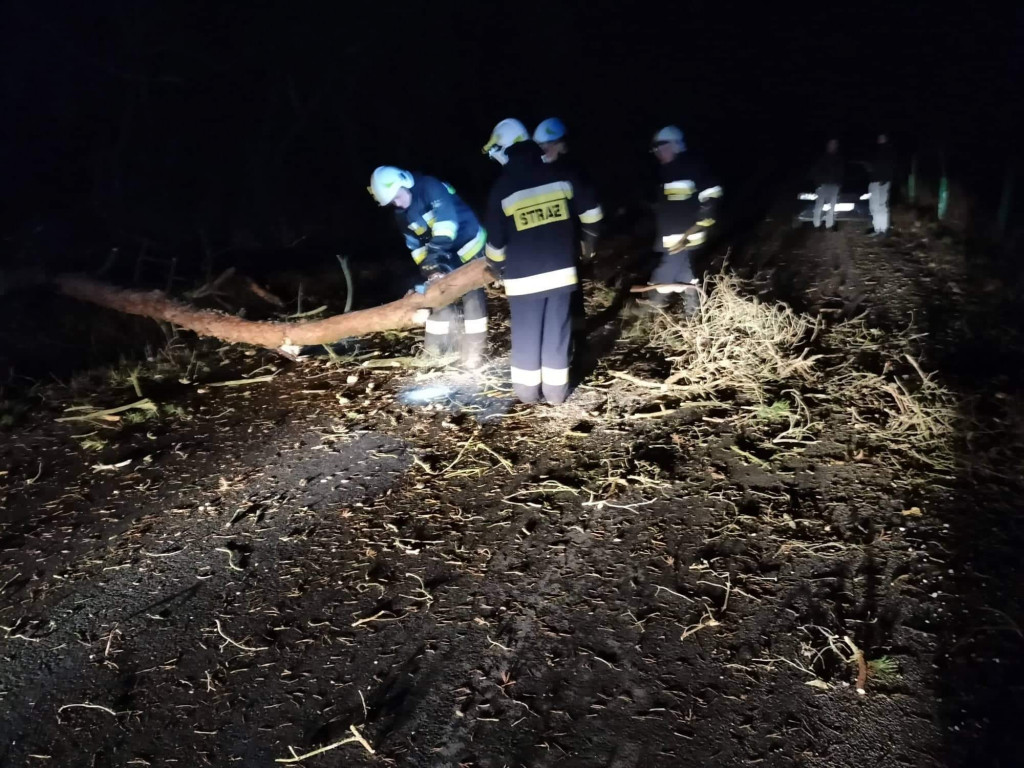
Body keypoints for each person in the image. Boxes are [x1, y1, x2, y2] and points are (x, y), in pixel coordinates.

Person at [481, 118, 602, 405]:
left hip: (522, 279)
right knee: (557, 332)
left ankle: (526, 394)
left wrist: (497, 267)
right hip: (561, 273)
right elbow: (593, 214)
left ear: (504, 150)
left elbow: (495, 244)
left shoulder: (502, 188)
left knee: (526, 333)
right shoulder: (561, 175)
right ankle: (556, 394)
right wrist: (588, 245)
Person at [368, 166, 488, 367]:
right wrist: (428, 268)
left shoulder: (430, 187)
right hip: (443, 254)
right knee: (436, 299)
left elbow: (446, 222)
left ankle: (474, 354)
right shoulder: (401, 214)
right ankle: (434, 352)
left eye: (397, 197)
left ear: (404, 184)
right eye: (392, 202)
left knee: (472, 297)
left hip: (469, 246)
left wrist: (435, 255)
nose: (397, 203)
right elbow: (414, 246)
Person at [645, 125, 722, 315]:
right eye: (654, 148)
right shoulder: (667, 170)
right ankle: (693, 309)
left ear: (675, 145)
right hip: (672, 234)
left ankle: (652, 304)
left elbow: (712, 192)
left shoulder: (691, 166)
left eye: (660, 146)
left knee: (667, 268)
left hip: (685, 235)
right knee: (683, 270)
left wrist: (706, 215)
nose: (657, 152)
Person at [811, 138, 844, 230]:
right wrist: (818, 184)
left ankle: (829, 225)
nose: (833, 146)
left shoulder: (838, 158)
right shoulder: (822, 157)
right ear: (828, 145)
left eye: (835, 144)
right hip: (822, 185)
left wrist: (839, 184)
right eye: (831, 144)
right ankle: (817, 225)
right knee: (819, 206)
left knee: (831, 207)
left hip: (834, 186)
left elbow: (841, 172)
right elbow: (815, 171)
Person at [868, 133, 895, 236]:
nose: (880, 139)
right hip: (874, 182)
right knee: (874, 206)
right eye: (879, 137)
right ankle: (877, 228)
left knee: (881, 205)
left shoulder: (888, 151)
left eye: (882, 137)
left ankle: (883, 229)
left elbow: (890, 167)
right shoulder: (876, 151)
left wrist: (885, 179)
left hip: (882, 182)